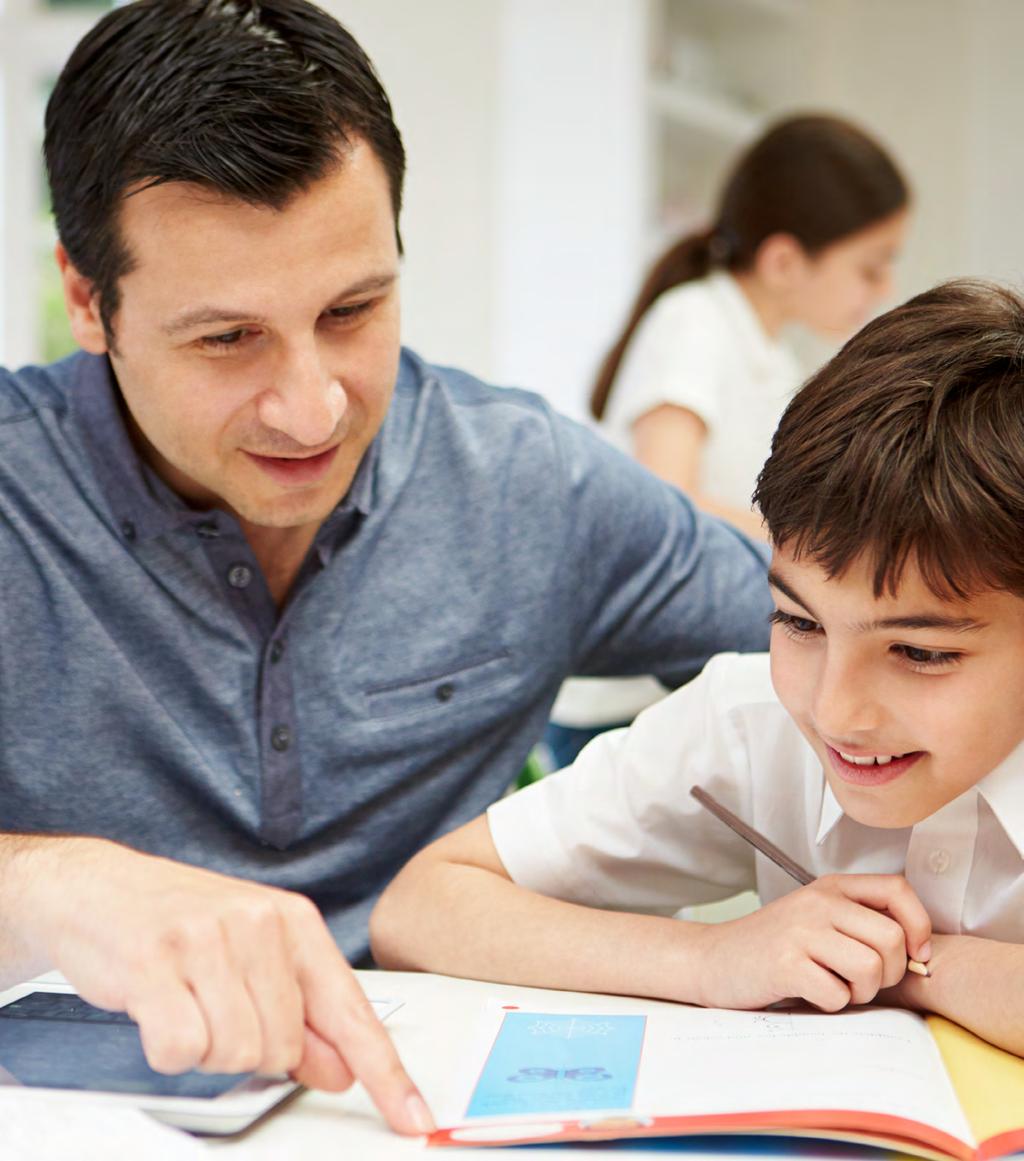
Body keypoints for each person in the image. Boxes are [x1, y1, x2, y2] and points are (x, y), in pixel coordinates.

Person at [0, 0, 773, 1133]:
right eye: (226, 339)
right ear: (86, 300)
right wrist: (43, 885)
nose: (310, 406)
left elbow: (846, 630)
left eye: (353, 310)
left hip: (429, 1116)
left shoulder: (526, 484)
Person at [373, 280, 1024, 1057]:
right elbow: (417, 910)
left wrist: (920, 967)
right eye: (797, 620)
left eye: (920, 652)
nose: (836, 710)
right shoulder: (749, 721)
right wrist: (713, 958)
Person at [547, 115, 910, 768]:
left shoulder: (773, 355)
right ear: (783, 261)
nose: (882, 289)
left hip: (686, 674)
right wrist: (818, 547)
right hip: (628, 701)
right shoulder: (694, 324)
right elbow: (668, 498)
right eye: (870, 267)